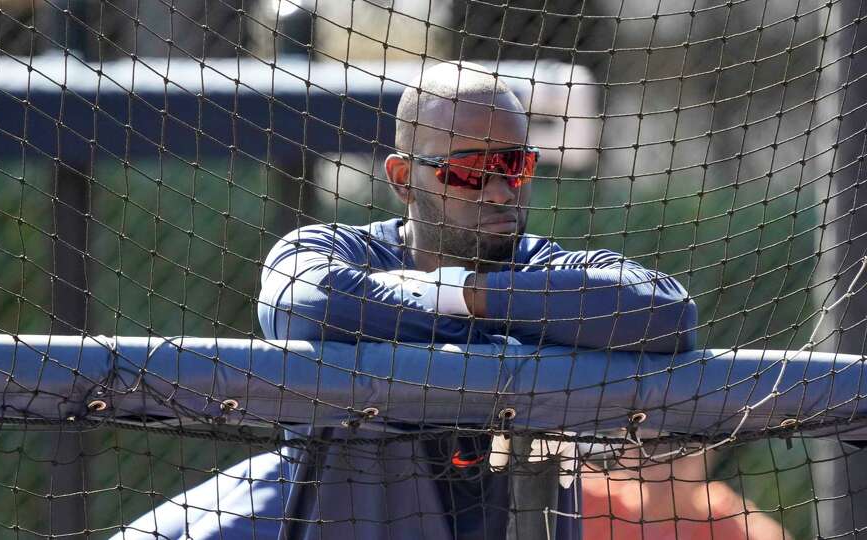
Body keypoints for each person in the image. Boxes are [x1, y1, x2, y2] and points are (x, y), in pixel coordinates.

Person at [115, 61, 698, 540]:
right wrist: (502, 324)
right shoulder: (335, 249)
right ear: (402, 178)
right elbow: (307, 302)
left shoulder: (551, 265)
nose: (499, 189)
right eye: (471, 169)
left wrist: (466, 297)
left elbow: (667, 313)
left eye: (515, 166)